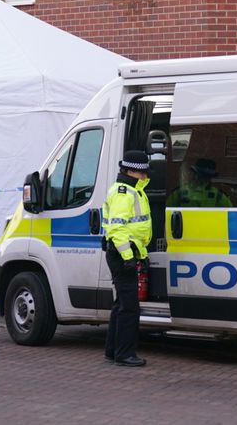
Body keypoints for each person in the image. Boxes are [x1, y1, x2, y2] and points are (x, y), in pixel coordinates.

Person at [103, 150, 152, 367]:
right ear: (132, 171)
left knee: (120, 303)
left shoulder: (134, 190)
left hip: (126, 253)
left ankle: (113, 350)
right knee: (129, 307)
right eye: (142, 172)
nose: (145, 176)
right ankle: (124, 354)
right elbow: (117, 228)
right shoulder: (125, 193)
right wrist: (128, 257)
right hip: (122, 254)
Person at [168, 158, 233, 208]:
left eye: (206, 176)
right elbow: (166, 212)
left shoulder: (218, 195)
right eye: (200, 174)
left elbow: (231, 216)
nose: (200, 178)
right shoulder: (180, 192)